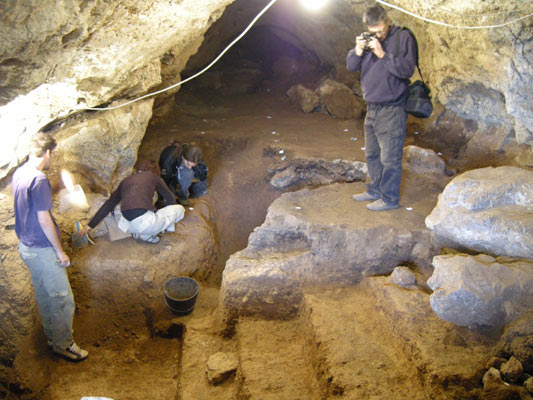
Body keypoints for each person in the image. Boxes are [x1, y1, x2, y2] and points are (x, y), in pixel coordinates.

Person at [12, 131, 88, 361]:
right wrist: (60, 251)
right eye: (52, 153)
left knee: (45, 295)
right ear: (47, 153)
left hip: (26, 247)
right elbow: (44, 218)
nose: (52, 157)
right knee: (63, 298)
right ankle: (64, 345)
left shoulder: (20, 172)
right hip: (43, 249)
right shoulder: (38, 179)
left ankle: (53, 337)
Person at [346, 4, 416, 211]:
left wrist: (382, 54)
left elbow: (406, 70)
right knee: (373, 154)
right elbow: (351, 66)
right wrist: (357, 50)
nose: (377, 33)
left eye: (380, 29)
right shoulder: (368, 39)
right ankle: (375, 189)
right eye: (372, 30)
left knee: (390, 157)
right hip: (372, 107)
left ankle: (389, 198)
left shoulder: (403, 37)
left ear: (387, 21)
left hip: (392, 108)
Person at [81, 160, 185, 244]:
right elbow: (170, 198)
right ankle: (162, 229)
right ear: (155, 171)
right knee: (179, 209)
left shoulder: (126, 180)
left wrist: (90, 225)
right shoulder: (154, 177)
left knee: (147, 220)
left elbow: (109, 204)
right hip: (145, 222)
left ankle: (144, 235)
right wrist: (161, 213)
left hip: (127, 225)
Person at [159, 141, 208, 206]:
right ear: (183, 157)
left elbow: (203, 176)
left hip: (181, 172)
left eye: (193, 165)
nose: (190, 167)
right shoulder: (169, 159)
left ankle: (183, 196)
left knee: (202, 187)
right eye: (188, 164)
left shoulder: (196, 157)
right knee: (170, 198)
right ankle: (175, 192)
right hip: (170, 174)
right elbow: (165, 178)